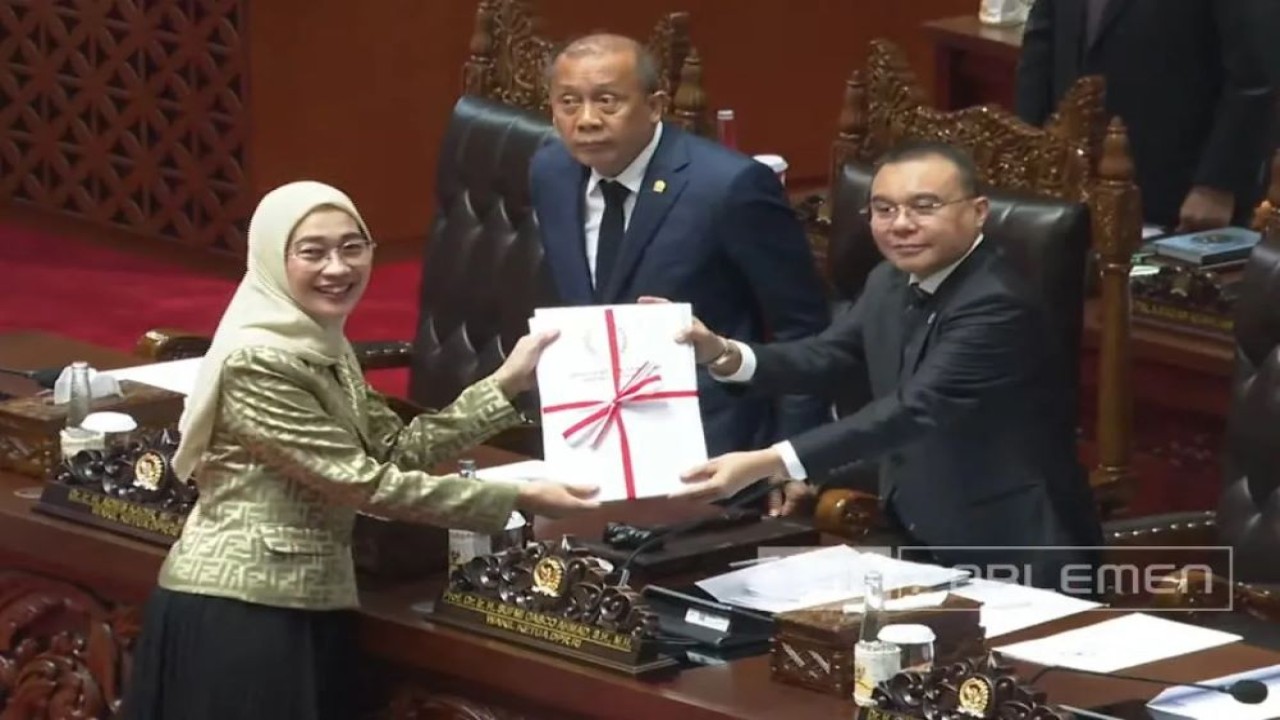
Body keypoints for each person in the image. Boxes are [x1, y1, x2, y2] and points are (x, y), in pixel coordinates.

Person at [120, 181, 599, 720]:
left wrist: (506, 383)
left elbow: (394, 450)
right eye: (312, 252)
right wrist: (517, 497)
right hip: (243, 613)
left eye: (353, 247)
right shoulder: (259, 362)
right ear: (273, 258)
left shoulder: (320, 342)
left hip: (306, 600)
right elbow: (361, 483)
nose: (337, 267)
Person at [655, 142, 1103, 589]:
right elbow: (829, 355)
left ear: (979, 211)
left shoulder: (998, 302)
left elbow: (914, 409)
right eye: (883, 209)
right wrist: (722, 352)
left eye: (924, 207)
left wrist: (772, 461)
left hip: (1013, 547)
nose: (901, 225)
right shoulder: (889, 279)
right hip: (915, 528)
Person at [530, 33, 831, 460]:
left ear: (655, 106)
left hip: (708, 438)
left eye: (607, 101)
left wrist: (793, 456)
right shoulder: (551, 170)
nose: (587, 120)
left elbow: (803, 329)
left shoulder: (729, 187)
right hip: (588, 429)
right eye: (569, 103)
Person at [1015, 0, 1275, 231]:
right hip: (1073, 187)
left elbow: (1257, 77)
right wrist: (1029, 156)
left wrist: (1218, 185)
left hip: (1179, 195)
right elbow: (1042, 40)